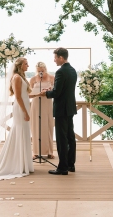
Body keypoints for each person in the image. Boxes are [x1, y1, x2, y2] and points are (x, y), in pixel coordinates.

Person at [41, 47, 77, 175]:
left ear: (61, 58)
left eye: (55, 57)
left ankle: (62, 168)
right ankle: (71, 165)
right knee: (70, 137)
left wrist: (46, 93)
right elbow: (65, 90)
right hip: (70, 108)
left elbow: (57, 93)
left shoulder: (61, 72)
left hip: (61, 109)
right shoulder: (73, 70)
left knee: (62, 139)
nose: (54, 60)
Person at [30, 62, 55, 159]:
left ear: (45, 69)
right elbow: (28, 92)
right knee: (36, 126)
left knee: (48, 125)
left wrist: (48, 90)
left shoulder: (51, 78)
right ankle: (36, 151)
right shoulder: (33, 79)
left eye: (42, 70)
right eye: (39, 71)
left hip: (47, 103)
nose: (41, 72)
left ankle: (49, 151)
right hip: (36, 103)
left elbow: (55, 90)